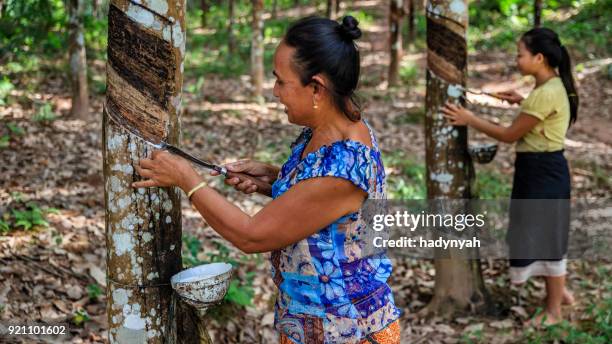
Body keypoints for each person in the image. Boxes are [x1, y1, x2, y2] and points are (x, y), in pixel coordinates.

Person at [132, 16, 401, 343]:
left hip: (347, 329)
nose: (275, 92)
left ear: (316, 87)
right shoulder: (325, 131)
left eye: (280, 82)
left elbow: (252, 237)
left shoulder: (344, 166)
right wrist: (273, 180)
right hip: (309, 322)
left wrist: (187, 179)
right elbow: (320, 206)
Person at [442, 27, 578, 326]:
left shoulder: (545, 94)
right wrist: (520, 101)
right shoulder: (550, 88)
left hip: (543, 173)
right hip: (539, 170)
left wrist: (469, 119)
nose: (516, 60)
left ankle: (554, 310)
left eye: (520, 54)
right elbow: (542, 117)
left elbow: (508, 134)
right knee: (539, 232)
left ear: (539, 58)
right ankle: (560, 293)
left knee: (548, 238)